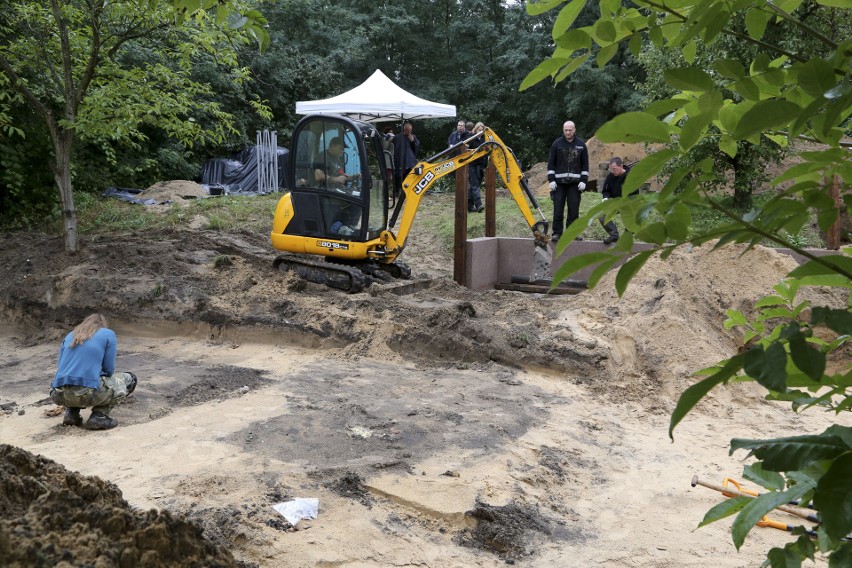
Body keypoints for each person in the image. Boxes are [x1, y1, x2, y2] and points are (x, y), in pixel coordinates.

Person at [50, 313, 137, 430]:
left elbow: (61, 366)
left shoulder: (70, 335)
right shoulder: (108, 334)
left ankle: (71, 413)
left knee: (73, 380)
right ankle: (99, 415)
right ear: (103, 325)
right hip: (87, 392)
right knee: (129, 379)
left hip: (59, 394)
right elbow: (109, 369)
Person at [547, 120, 589, 242]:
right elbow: (551, 163)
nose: (568, 132)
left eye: (570, 130)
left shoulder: (581, 145)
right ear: (563, 130)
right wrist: (551, 180)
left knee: (574, 210)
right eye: (566, 130)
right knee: (558, 209)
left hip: (575, 184)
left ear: (574, 130)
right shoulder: (557, 144)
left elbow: (585, 164)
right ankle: (557, 233)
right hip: (559, 184)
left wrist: (584, 180)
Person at [599, 157, 634, 244]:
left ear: (621, 166)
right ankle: (614, 235)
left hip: (629, 203)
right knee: (601, 215)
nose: (612, 171)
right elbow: (606, 190)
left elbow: (634, 195)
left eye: (614, 169)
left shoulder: (631, 176)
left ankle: (627, 236)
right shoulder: (610, 176)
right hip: (615, 203)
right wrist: (605, 198)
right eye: (611, 169)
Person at [466, 122, 487, 212]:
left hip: (480, 166)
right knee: (475, 185)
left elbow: (485, 154)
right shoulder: (471, 139)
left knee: (473, 186)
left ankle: (469, 206)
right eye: (479, 130)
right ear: (476, 129)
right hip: (472, 165)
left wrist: (484, 165)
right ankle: (479, 204)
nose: (481, 131)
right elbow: (466, 151)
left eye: (482, 130)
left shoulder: (483, 140)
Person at [393, 122, 420, 192]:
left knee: (409, 176)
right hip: (400, 160)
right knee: (399, 176)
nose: (409, 132)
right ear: (404, 130)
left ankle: (408, 191)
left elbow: (416, 148)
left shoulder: (413, 137)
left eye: (410, 130)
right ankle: (398, 191)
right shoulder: (398, 137)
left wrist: (413, 141)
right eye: (407, 130)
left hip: (410, 161)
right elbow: (395, 148)